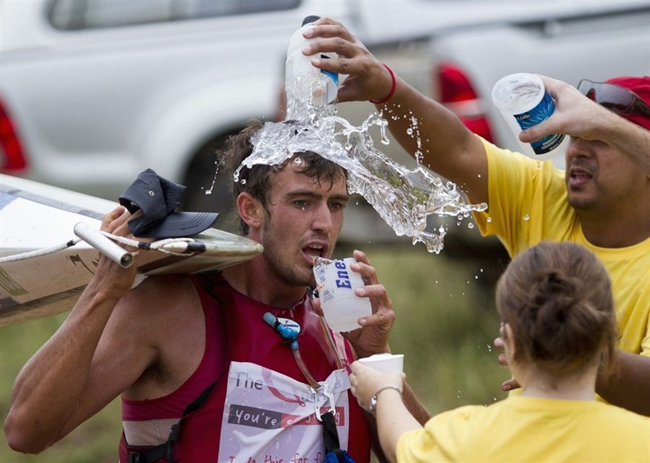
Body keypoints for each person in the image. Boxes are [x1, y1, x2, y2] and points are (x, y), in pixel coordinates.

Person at [4, 120, 409, 462]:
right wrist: (102, 291)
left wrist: (377, 355)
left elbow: (428, 452)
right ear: (251, 209)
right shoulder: (172, 309)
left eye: (335, 205)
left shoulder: (343, 325)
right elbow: (27, 431)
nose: (324, 222)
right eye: (303, 202)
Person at [302, 18, 650, 415]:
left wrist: (566, 353)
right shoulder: (545, 194)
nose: (577, 151)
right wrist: (386, 88)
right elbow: (459, 150)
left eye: (601, 137)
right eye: (574, 135)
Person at [349, 242, 650, 463]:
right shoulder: (642, 441)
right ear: (607, 340)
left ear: (510, 340)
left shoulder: (465, 437)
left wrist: (385, 389)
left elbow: (400, 440)